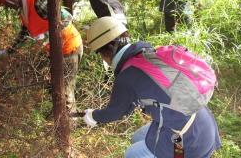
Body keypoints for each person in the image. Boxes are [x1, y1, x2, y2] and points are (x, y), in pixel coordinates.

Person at [83, 16, 221, 157]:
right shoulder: (147, 56)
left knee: (132, 155)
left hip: (184, 140)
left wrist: (93, 116)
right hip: (203, 124)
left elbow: (114, 112)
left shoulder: (128, 74)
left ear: (109, 49)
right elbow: (128, 106)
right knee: (138, 137)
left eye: (100, 53)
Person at [0, 0, 83, 112]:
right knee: (57, 87)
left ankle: (69, 126)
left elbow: (67, 17)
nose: (7, 7)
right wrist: (8, 51)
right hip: (57, 50)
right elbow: (24, 32)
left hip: (70, 48)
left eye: (5, 3)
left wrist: (46, 35)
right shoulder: (24, 8)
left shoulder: (37, 3)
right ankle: (61, 119)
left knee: (65, 91)